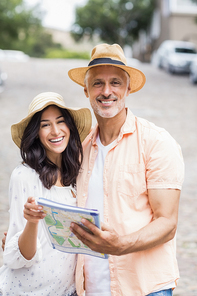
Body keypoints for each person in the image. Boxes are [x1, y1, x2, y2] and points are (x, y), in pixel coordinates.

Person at [68, 43, 185, 296]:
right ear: (85, 90)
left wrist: (119, 245)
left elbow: (167, 223)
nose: (106, 91)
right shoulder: (79, 146)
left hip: (144, 288)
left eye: (115, 83)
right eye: (97, 83)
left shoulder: (156, 142)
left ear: (128, 88)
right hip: (90, 287)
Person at [0, 92, 92, 296]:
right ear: (36, 133)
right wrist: (32, 222)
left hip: (68, 290)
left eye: (61, 122)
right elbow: (19, 257)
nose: (55, 131)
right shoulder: (24, 176)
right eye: (45, 125)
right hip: (27, 291)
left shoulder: (77, 175)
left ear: (69, 127)